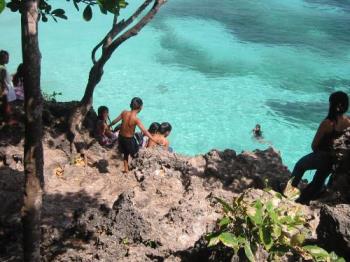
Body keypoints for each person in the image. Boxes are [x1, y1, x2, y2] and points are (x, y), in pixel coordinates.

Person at [289, 91, 350, 204]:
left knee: (299, 166)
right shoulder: (348, 121)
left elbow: (314, 145)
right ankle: (304, 201)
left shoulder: (328, 123)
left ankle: (287, 192)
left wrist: (318, 155)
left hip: (323, 155)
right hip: (336, 160)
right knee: (318, 181)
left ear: (334, 105)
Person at [109, 97, 157, 173]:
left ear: (130, 105)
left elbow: (115, 121)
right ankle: (135, 168)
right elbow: (144, 130)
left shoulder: (124, 112)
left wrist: (109, 125)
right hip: (129, 140)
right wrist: (153, 139)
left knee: (125, 153)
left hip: (121, 137)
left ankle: (126, 169)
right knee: (135, 153)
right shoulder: (136, 119)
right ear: (141, 107)